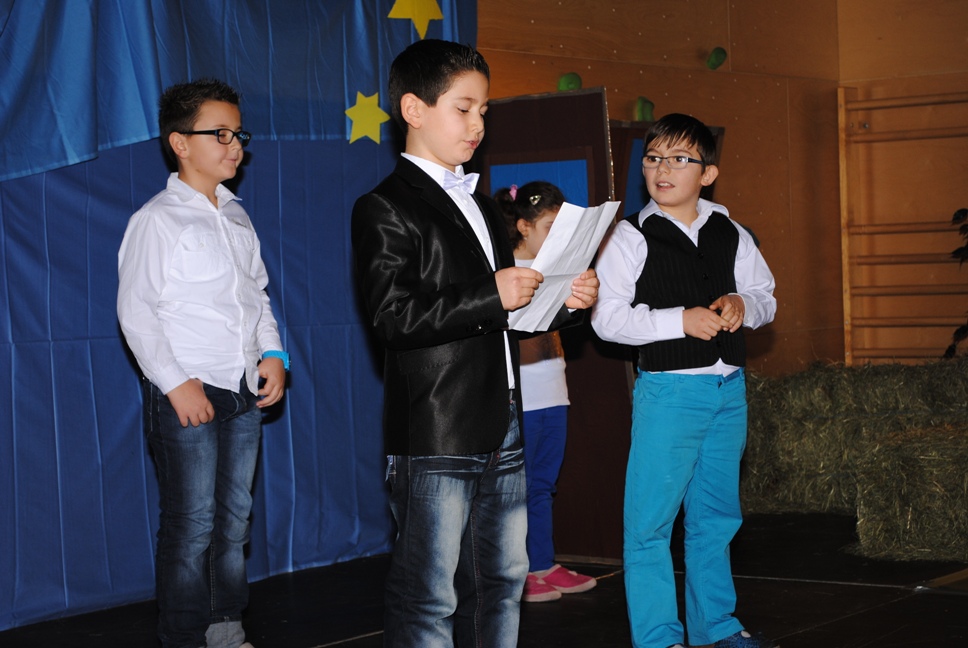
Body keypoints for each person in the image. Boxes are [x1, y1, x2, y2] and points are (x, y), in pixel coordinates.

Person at [351, 40, 599, 648]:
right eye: (463, 109)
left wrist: (565, 303)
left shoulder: (484, 208)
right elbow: (393, 318)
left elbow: (507, 318)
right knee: (429, 595)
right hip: (436, 431)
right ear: (414, 109)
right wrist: (492, 294)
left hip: (503, 422)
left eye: (483, 111)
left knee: (503, 581)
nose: (478, 124)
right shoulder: (384, 206)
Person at [590, 113, 777, 648]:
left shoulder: (730, 231)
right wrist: (679, 320)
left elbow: (766, 296)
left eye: (679, 159)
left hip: (728, 391)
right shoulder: (629, 236)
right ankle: (658, 638)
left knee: (715, 519)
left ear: (708, 173)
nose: (662, 169)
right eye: (653, 159)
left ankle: (716, 627)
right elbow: (607, 319)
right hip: (669, 394)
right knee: (649, 524)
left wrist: (743, 303)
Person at [117, 78, 289, 648]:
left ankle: (225, 627)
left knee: (234, 519)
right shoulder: (158, 219)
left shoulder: (238, 217)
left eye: (238, 134)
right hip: (190, 389)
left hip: (242, 388)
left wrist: (273, 353)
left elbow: (256, 296)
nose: (234, 144)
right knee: (190, 525)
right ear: (180, 143)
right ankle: (184, 636)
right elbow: (136, 312)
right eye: (220, 134)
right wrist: (174, 384)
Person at [494, 181, 597, 603]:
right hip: (523, 395)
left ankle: (542, 563)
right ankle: (517, 571)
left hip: (554, 390)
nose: (558, 236)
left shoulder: (558, 267)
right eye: (550, 227)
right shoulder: (507, 272)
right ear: (524, 226)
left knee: (542, 485)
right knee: (515, 488)